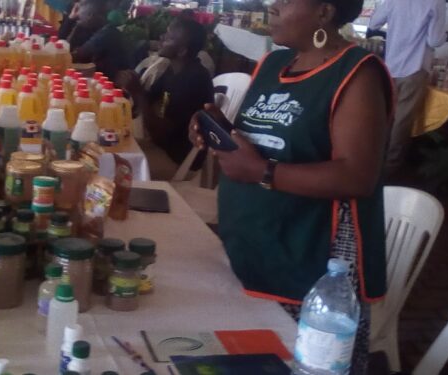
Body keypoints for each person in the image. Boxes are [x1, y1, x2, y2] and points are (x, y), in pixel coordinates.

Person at [190, 0, 393, 371]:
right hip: (254, 244)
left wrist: (262, 172)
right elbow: (266, 140)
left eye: (285, 0)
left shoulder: (356, 73)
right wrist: (222, 130)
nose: (272, 6)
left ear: (324, 12)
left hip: (311, 262)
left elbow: (357, 176)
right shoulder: (272, 65)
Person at [120, 18, 215, 180]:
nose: (161, 38)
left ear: (182, 51)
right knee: (108, 148)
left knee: (113, 167)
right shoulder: (172, 70)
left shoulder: (193, 79)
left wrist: (138, 93)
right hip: (161, 147)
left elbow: (160, 133)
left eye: (169, 38)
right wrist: (131, 88)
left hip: (177, 159)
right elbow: (145, 102)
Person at [369, 0, 446, 178]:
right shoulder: (436, 2)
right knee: (402, 120)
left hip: (391, 65)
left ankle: (375, 160)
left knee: (387, 115)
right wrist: (446, 35)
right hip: (415, 66)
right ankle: (390, 169)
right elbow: (435, 40)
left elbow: (374, 23)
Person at [70, 0, 130, 79]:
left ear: (90, 16)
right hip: (102, 77)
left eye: (80, 15)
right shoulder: (103, 29)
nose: (78, 17)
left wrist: (70, 20)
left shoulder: (107, 33)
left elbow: (79, 54)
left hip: (110, 83)